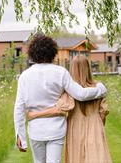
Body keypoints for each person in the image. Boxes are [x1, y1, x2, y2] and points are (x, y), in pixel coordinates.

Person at [14, 34, 107, 163]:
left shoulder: (25, 76)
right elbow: (80, 94)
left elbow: (19, 108)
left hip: (36, 130)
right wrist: (100, 89)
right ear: (52, 52)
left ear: (32, 53)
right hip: (56, 129)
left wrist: (20, 136)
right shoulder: (60, 72)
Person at [28, 54, 112, 163]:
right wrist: (99, 127)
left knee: (76, 158)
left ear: (72, 69)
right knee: (97, 157)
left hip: (75, 127)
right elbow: (103, 112)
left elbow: (58, 110)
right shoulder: (98, 87)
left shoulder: (68, 91)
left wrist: (34, 114)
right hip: (95, 126)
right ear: (88, 68)